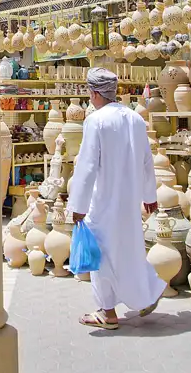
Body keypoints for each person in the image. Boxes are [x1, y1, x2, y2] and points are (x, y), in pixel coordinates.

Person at [68, 68, 164, 330]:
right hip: (129, 199)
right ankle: (147, 293)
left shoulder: (96, 121)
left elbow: (87, 167)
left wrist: (77, 206)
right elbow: (147, 161)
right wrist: (149, 195)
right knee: (130, 248)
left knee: (100, 254)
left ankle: (107, 312)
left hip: (103, 201)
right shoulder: (134, 119)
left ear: (95, 93)